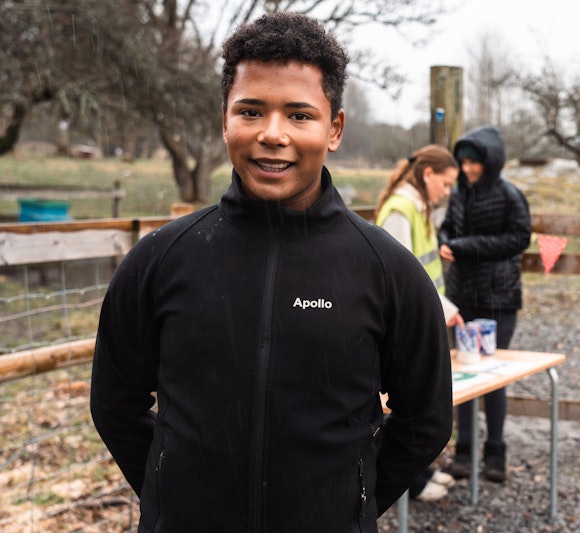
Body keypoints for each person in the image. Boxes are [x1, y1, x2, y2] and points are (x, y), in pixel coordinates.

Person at [90, 11, 452, 532]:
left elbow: (426, 418)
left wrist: (351, 502)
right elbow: (114, 405)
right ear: (225, 120)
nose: (272, 134)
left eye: (299, 115)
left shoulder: (386, 270)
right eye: (251, 111)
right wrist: (172, 493)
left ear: (335, 128)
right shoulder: (161, 259)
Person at [438, 125, 532, 483]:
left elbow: (519, 238)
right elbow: (447, 227)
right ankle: (463, 453)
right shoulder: (459, 193)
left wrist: (465, 247)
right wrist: (446, 240)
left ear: (490, 162)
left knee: (493, 376)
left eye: (474, 163)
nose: (467, 169)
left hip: (499, 298)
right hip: (462, 296)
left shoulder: (510, 196)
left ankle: (495, 453)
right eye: (463, 162)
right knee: (463, 374)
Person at [374, 144, 464, 501]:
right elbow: (403, 279)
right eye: (445, 183)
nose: (447, 192)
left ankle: (421, 472)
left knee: (421, 399)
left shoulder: (419, 207)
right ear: (428, 174)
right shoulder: (401, 210)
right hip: (405, 324)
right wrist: (442, 308)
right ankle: (410, 482)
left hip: (424, 319)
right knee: (410, 403)